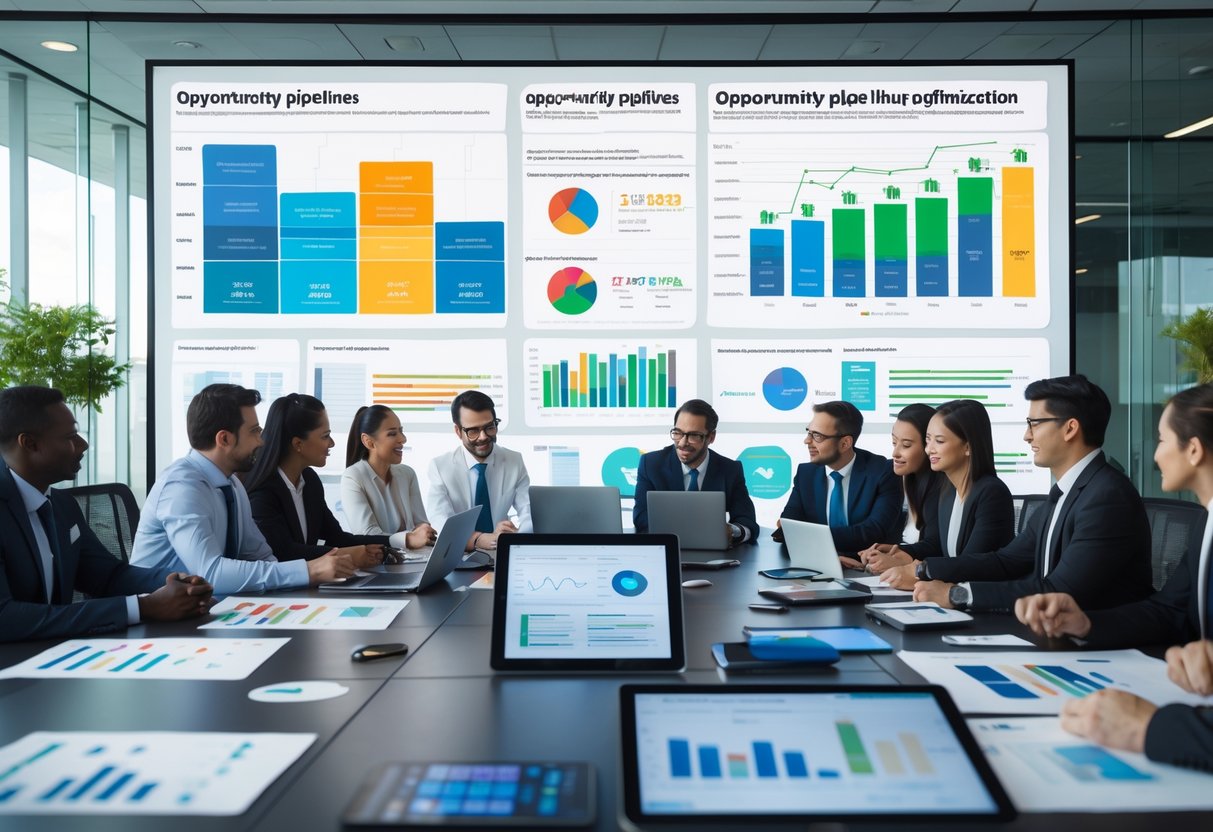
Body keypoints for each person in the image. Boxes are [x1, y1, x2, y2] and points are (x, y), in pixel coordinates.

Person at [1016, 382, 1213, 773]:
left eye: (1161, 439)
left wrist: (1150, 726)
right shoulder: (1206, 524)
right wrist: (1087, 623)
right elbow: (1169, 611)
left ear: (1193, 450)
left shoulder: (1107, 493)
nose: (1155, 454)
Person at [910, 374, 1152, 612]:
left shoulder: (1106, 497)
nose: (1027, 435)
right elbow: (1006, 561)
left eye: (1034, 424)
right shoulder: (1067, 492)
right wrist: (925, 569)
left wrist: (957, 594)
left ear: (1070, 429)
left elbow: (1058, 591)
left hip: (1099, 643)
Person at [0, 386, 213, 642]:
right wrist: (142, 607)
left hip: (56, 656)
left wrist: (176, 580)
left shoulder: (60, 504)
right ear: (29, 443)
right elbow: (5, 618)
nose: (83, 444)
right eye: (70, 437)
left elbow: (108, 576)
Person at [131, 383, 356, 594]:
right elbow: (211, 573)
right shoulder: (182, 488)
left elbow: (261, 556)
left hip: (207, 609)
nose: (262, 441)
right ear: (225, 439)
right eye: (254, 431)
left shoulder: (232, 484)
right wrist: (308, 571)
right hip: (161, 620)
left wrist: (298, 583)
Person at [875, 400, 1015, 588]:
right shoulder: (948, 492)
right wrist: (902, 554)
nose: (929, 449)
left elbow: (971, 565)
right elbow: (940, 549)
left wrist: (918, 573)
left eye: (939, 441)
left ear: (968, 447)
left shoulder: (991, 493)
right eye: (928, 440)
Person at [244, 394, 388, 568]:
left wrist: (399, 541)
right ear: (298, 444)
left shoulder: (309, 480)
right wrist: (348, 554)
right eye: (325, 436)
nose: (332, 443)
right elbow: (282, 552)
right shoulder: (263, 492)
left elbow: (337, 538)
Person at [777, 400, 901, 567]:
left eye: (817, 436)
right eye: (809, 432)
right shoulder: (806, 473)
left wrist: (808, 536)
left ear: (845, 443)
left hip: (870, 568)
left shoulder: (882, 471)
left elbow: (873, 531)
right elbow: (789, 525)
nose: (807, 441)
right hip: (816, 565)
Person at [632, 399, 759, 544]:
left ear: (711, 437)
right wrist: (689, 530)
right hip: (667, 550)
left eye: (693, 436)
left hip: (714, 556)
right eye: (678, 433)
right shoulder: (651, 464)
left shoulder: (730, 470)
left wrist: (733, 531)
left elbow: (748, 523)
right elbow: (641, 517)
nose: (682, 443)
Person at [427, 390, 531, 552]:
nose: (483, 437)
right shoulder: (441, 467)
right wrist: (479, 539)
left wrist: (516, 537)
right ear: (457, 431)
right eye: (473, 431)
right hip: (459, 555)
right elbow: (439, 521)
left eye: (489, 427)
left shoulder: (514, 461)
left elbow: (528, 512)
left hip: (501, 552)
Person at [858, 403, 941, 573]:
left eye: (906, 445)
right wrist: (890, 551)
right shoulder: (908, 481)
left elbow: (936, 547)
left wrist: (901, 556)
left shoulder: (942, 491)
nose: (895, 452)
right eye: (894, 442)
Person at [341, 404, 436, 550]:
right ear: (369, 441)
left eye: (401, 431)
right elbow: (367, 535)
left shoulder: (407, 474)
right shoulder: (352, 477)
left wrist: (424, 530)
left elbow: (421, 524)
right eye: (392, 434)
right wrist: (409, 539)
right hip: (379, 565)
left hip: (415, 560)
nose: (403, 439)